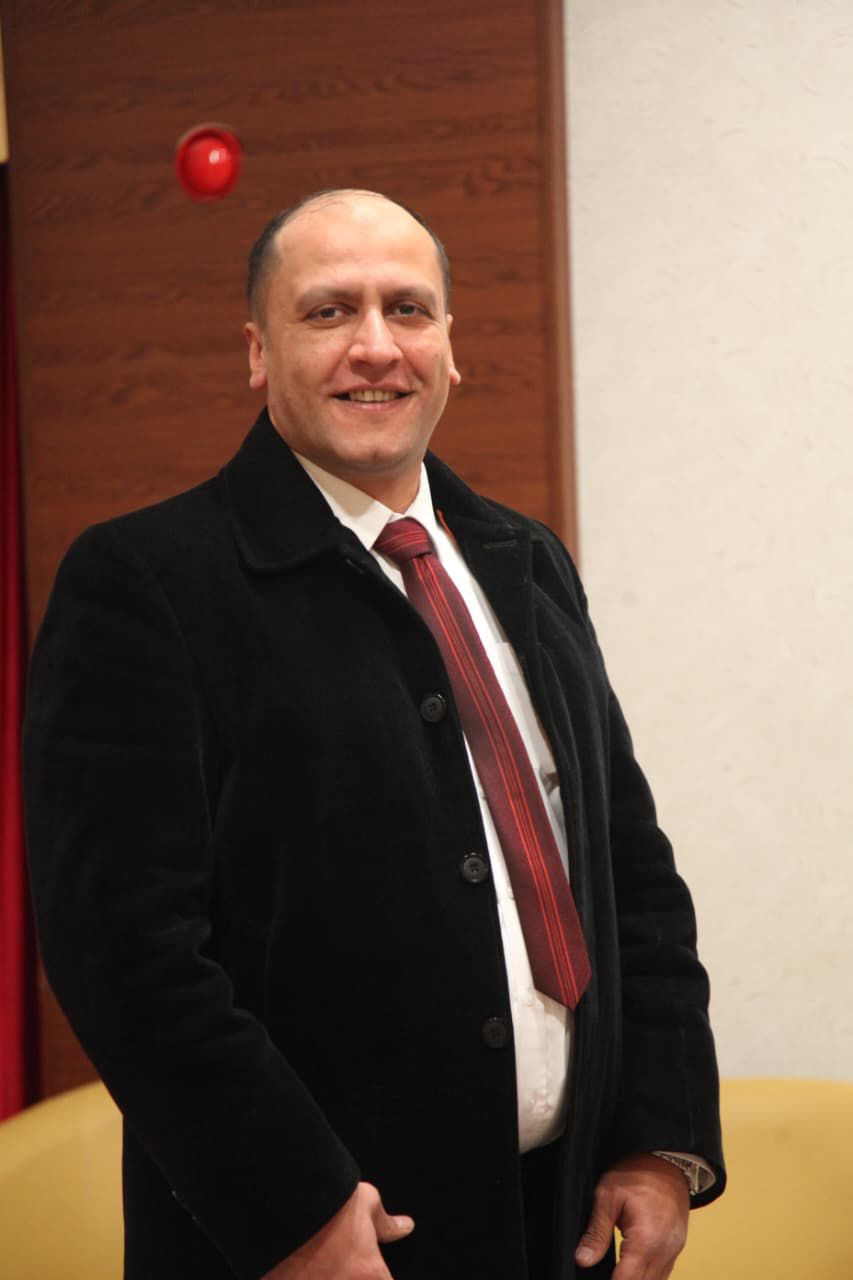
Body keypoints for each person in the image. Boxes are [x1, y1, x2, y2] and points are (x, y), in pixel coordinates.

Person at [23, 189, 724, 1280]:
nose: (375, 347)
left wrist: (657, 1134)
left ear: (449, 347)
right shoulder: (146, 582)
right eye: (327, 311)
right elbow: (122, 949)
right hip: (323, 1242)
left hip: (562, 1218)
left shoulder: (528, 562)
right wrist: (290, 1205)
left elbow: (627, 869)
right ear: (258, 352)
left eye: (407, 309)